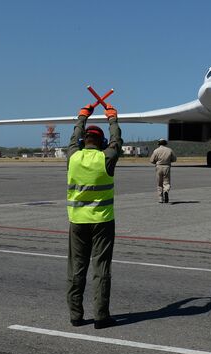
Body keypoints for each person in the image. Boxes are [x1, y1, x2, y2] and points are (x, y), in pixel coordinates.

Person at [66, 102, 122, 329]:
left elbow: (73, 137)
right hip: (103, 222)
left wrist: (82, 116)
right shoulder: (106, 158)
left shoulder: (73, 157)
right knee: (101, 269)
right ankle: (101, 316)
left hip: (77, 222)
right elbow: (117, 141)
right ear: (103, 143)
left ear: (82, 142)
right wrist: (112, 118)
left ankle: (75, 315)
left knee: (76, 269)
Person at [149, 138, 177, 203]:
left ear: (159, 143)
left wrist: (156, 162)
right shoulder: (169, 150)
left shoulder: (156, 150)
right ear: (165, 143)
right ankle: (166, 191)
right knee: (166, 182)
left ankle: (160, 198)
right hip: (167, 167)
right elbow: (174, 159)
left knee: (159, 183)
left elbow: (151, 160)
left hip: (158, 167)